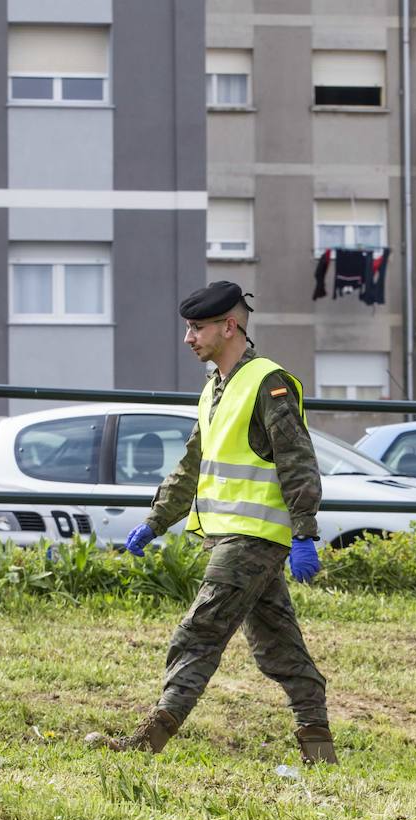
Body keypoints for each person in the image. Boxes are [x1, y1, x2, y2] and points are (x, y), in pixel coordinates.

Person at [84, 280, 336, 765]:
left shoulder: (268, 383)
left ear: (229, 325)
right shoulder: (215, 389)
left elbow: (297, 461)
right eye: (187, 328)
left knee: (198, 632)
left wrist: (304, 531)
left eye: (197, 328)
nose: (188, 338)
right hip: (233, 536)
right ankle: (320, 751)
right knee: (280, 649)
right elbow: (193, 465)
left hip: (252, 539)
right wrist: (156, 522)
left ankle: (147, 742)